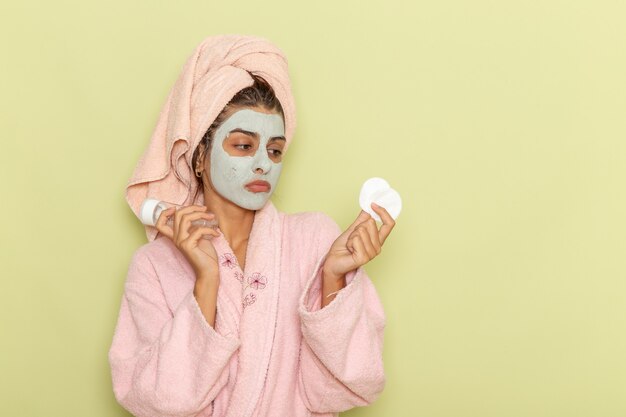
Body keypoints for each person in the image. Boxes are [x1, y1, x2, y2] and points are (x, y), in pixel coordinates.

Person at [108, 35, 395, 417]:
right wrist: (207, 280)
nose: (263, 164)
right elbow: (159, 403)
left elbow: (344, 391)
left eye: (274, 150)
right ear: (199, 156)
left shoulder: (315, 241)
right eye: (243, 146)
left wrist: (331, 281)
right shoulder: (155, 266)